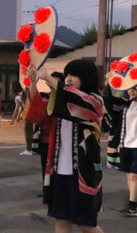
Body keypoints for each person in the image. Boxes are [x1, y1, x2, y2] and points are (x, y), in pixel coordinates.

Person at [26, 61, 104, 233]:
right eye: (66, 75)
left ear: (86, 77)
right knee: (61, 220)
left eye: (73, 75)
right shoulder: (60, 103)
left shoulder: (95, 101)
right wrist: (33, 82)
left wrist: (47, 77)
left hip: (83, 174)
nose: (68, 79)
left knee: (85, 224)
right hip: (60, 171)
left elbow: (76, 99)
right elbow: (39, 113)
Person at [103, 76, 137, 216]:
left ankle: (132, 205)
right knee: (130, 175)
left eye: (134, 88)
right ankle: (133, 201)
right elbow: (107, 99)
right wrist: (108, 82)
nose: (131, 90)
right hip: (127, 143)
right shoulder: (126, 104)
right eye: (130, 88)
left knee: (134, 175)